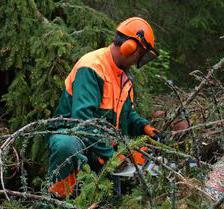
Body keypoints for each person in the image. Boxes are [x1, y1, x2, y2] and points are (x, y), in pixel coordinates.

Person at [47, 17, 160, 198]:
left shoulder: (124, 78)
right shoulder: (92, 67)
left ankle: (108, 206)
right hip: (75, 135)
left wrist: (144, 126)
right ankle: (55, 204)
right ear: (129, 48)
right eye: (140, 55)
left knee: (139, 159)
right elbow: (83, 119)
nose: (137, 62)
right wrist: (112, 156)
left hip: (104, 143)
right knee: (66, 145)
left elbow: (127, 114)